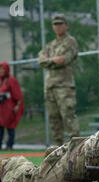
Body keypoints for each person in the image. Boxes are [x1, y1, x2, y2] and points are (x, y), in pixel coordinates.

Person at [38, 14, 80, 146]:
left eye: (60, 24)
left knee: (68, 116)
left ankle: (76, 147)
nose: (58, 26)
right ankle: (58, 147)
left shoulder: (70, 41)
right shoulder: (51, 45)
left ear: (66, 25)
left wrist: (48, 60)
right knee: (54, 119)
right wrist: (52, 60)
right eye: (55, 24)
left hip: (64, 86)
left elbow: (63, 60)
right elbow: (41, 60)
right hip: (50, 86)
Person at [0, 62, 24, 151]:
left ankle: (9, 145)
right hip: (0, 108)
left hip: (9, 108)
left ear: (7, 70)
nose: (1, 71)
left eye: (3, 69)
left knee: (10, 127)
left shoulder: (11, 80)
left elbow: (18, 95)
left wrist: (17, 106)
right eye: (0, 69)